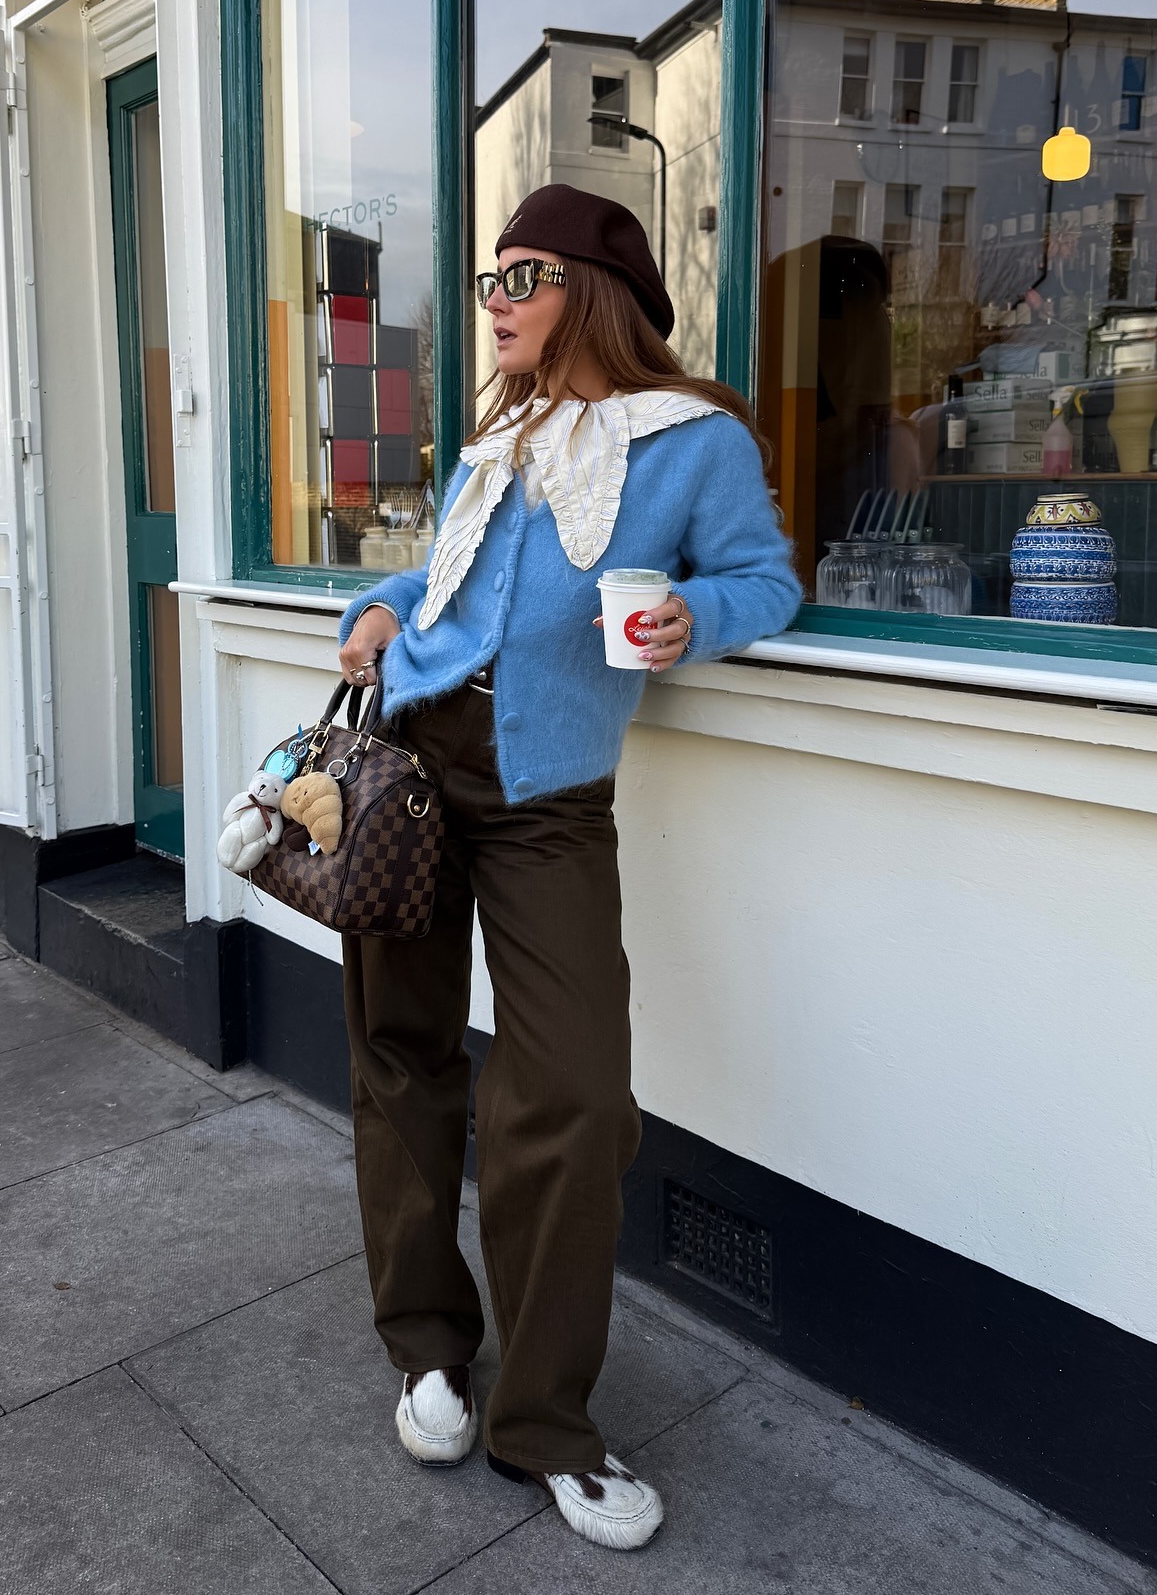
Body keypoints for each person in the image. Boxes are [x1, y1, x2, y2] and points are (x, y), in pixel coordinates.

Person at [336, 183, 801, 1551]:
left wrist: (686, 617)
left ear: (591, 292)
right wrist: (377, 609)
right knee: (401, 1052)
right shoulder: (497, 437)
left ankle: (543, 1421)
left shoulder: (693, 440)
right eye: (489, 279)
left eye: (520, 277)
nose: (494, 302)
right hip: (408, 765)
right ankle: (428, 1346)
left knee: (578, 1096)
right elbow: (439, 587)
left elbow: (765, 580)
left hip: (550, 801)